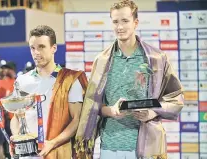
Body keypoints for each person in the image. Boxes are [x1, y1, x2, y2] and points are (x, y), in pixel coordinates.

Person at [75, 0, 184, 159]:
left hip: (147, 147)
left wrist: (152, 112)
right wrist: (111, 111)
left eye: (125, 21)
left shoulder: (156, 59)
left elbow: (176, 99)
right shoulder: (102, 60)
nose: (120, 27)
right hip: (110, 147)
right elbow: (93, 105)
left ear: (135, 23)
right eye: (115, 22)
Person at [10, 25, 88, 159]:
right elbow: (16, 117)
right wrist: (17, 139)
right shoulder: (22, 81)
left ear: (54, 48)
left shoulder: (69, 80)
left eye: (41, 47)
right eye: (32, 48)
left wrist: (52, 143)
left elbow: (77, 120)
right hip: (26, 154)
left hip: (58, 151)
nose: (36, 53)